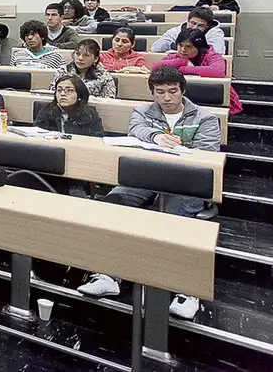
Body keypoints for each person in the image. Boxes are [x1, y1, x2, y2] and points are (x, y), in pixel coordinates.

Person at [76, 67, 220, 320]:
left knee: (172, 220)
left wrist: (178, 150)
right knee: (114, 204)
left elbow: (206, 153)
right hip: (146, 177)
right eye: (160, 92)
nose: (167, 97)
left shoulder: (205, 118)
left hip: (185, 181)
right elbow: (136, 131)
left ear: (182, 91)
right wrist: (155, 136)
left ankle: (186, 289)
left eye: (172, 91)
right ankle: (110, 275)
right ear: (152, 93)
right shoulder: (143, 111)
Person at [154, 29, 241, 113]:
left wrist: (183, 69)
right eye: (180, 45)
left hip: (214, 100)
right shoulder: (178, 57)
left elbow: (217, 72)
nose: (183, 50)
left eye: (188, 47)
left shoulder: (212, 56)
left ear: (199, 47)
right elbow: (156, 67)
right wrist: (183, 61)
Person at [34, 75, 105, 136]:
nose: (62, 94)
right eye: (59, 90)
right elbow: (36, 136)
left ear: (80, 96)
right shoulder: (47, 111)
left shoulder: (90, 115)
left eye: (69, 90)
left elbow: (97, 139)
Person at [49, 39, 117, 98]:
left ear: (96, 59)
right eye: (77, 54)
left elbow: (108, 101)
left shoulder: (105, 77)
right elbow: (51, 94)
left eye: (86, 55)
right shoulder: (62, 72)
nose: (80, 58)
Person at [151, 7, 226, 55]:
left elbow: (217, 52)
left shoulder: (215, 33)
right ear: (187, 21)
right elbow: (156, 48)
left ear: (207, 26)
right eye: (193, 23)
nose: (195, 27)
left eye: (201, 25)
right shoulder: (175, 31)